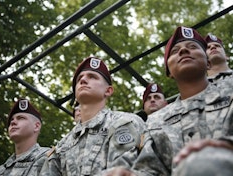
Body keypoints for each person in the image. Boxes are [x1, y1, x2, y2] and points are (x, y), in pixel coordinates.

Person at [104, 26, 233, 176]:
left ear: (208, 63)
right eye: (175, 51)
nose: (184, 51)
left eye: (192, 47)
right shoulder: (155, 122)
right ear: (169, 72)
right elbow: (150, 168)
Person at [40, 56, 145, 175]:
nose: (83, 80)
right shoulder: (62, 147)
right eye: (80, 78)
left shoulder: (126, 122)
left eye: (92, 76)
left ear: (108, 90)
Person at [0, 98, 50, 176]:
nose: (13, 122)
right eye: (12, 119)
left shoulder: (48, 159)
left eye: (21, 118)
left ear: (36, 126)